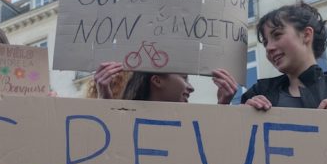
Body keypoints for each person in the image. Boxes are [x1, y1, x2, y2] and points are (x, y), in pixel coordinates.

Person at [241, 2, 327, 112]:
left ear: (306, 35)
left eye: (277, 35)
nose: (269, 48)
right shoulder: (257, 93)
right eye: (265, 43)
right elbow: (234, 144)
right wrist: (238, 116)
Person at [93, 62, 238, 104]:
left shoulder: (191, 124)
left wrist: (223, 106)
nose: (191, 88)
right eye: (184, 78)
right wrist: (104, 102)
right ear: (157, 80)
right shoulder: (125, 121)